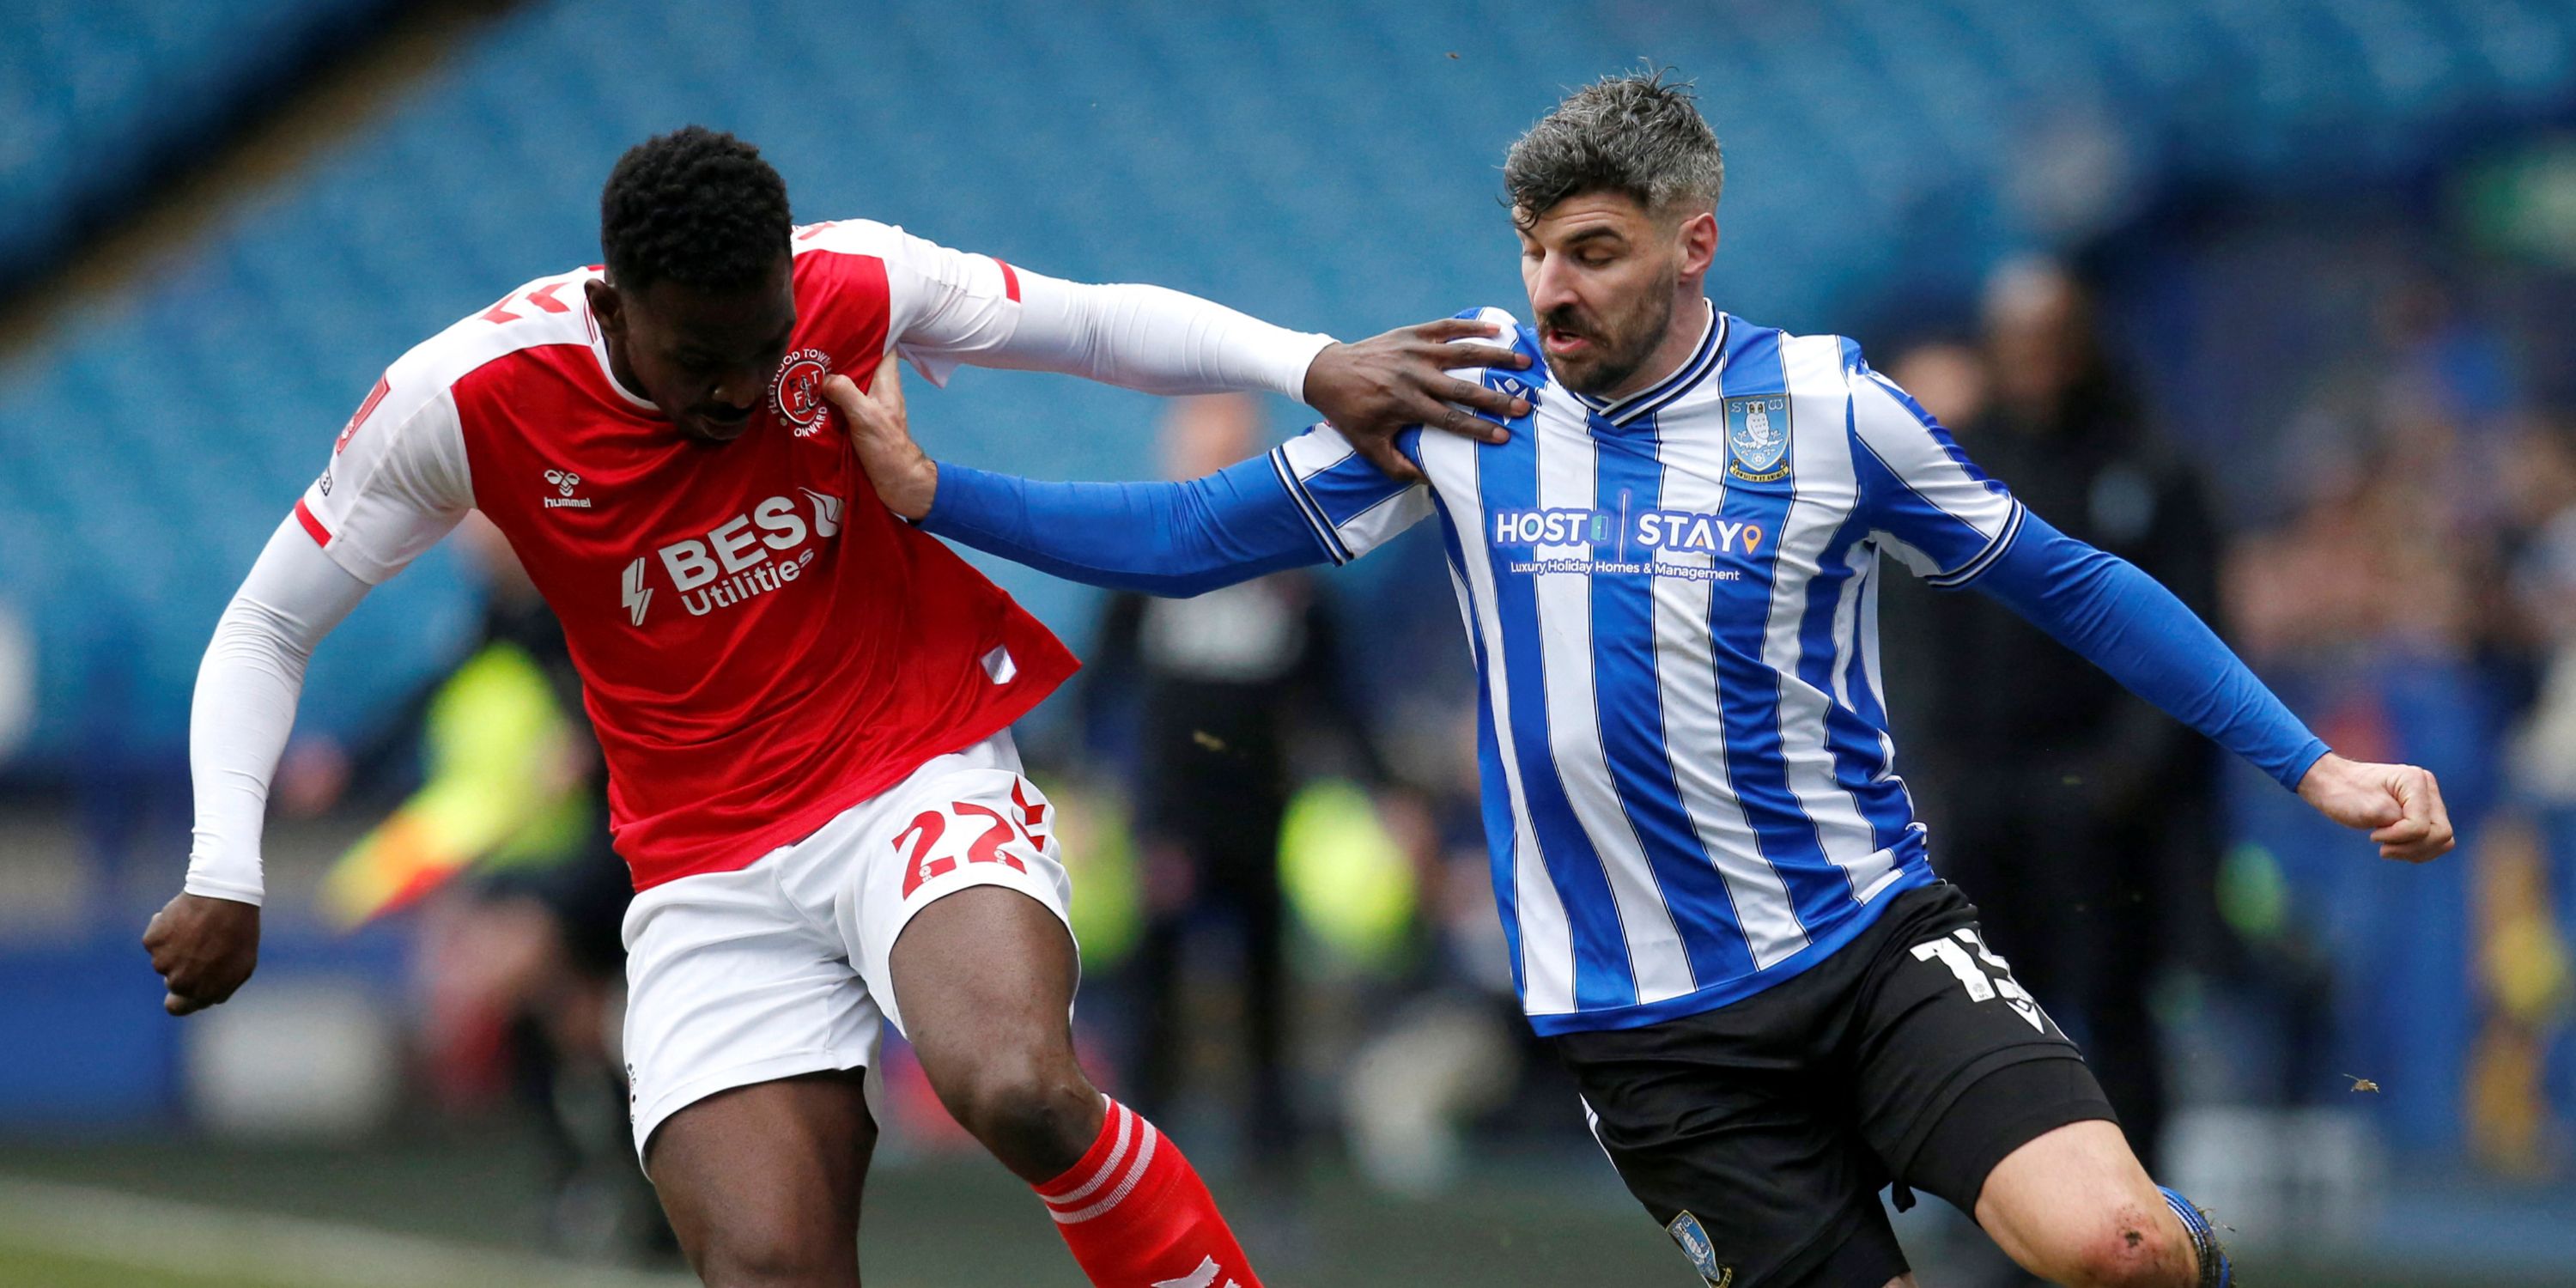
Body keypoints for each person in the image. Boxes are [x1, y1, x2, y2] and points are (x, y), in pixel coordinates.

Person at [817, 73, 2456, 1288]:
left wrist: (2308, 764)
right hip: (1656, 1035)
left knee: (2119, 1251)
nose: (1551, 289)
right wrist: (940, 497)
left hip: (1873, 946)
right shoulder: (1468, 393)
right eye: (1534, 250)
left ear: (1696, 242)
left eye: (1592, 252)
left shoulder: (1827, 407)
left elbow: (2072, 581)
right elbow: (1192, 536)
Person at [140, 125, 1531, 1288]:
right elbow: (268, 622)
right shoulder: (464, 400)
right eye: (706, 364)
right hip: (700, 862)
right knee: (763, 1264)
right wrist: (225, 866)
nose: (750, 391)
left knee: (1015, 1083)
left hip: (910, 768)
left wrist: (1308, 365)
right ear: (613, 307)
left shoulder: (853, 283)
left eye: (767, 346)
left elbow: (1094, 323)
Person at [1885, 264, 2227, 1172]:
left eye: (2051, 340)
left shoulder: (2147, 466)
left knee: (2118, 1007)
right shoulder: (1960, 463)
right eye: (2017, 342)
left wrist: (2131, 768)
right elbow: (1921, 624)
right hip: (1989, 791)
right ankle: (2011, 1217)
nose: (2034, 362)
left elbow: (2192, 629)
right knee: (1991, 1012)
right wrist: (1939, 764)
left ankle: (2141, 1206)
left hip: (2108, 803)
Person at [1083, 393, 1375, 1190]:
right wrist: (1078, 790)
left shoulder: (1291, 580)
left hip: (1264, 815)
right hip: (1168, 823)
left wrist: (1389, 792)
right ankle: (1139, 1170)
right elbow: (1098, 695)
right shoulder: (1142, 569)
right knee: (1156, 1003)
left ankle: (1272, 1171)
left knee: (1265, 999)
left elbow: (1337, 698)